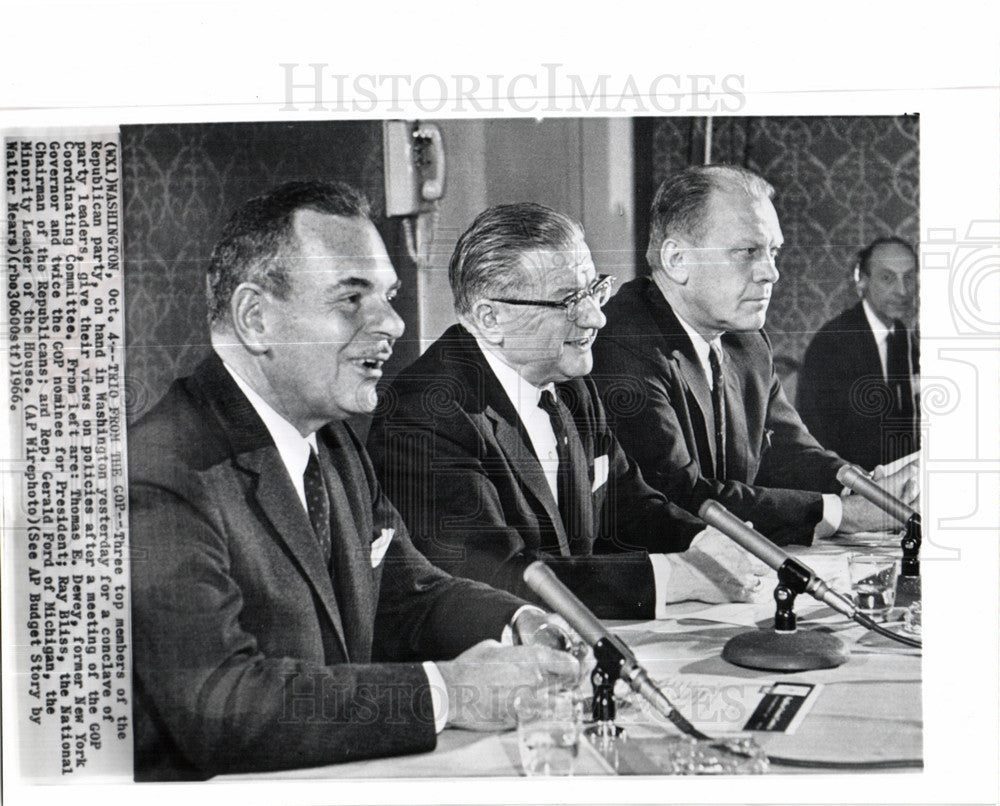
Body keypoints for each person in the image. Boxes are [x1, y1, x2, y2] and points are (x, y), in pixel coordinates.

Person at [128, 182, 580, 781]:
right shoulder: (160, 472)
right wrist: (447, 692)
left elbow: (407, 592)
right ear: (256, 319)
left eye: (389, 296)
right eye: (351, 299)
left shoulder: (333, 439)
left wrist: (519, 621)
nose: (392, 322)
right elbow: (221, 702)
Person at [367, 203, 767, 621]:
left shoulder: (571, 384)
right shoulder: (424, 415)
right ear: (491, 318)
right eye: (569, 300)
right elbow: (494, 575)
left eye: (595, 290)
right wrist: (672, 577)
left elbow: (629, 507)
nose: (595, 316)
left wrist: (707, 542)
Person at [591, 165, 915, 546]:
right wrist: (845, 514)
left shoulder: (746, 341)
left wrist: (865, 486)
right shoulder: (621, 341)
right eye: (747, 252)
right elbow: (679, 495)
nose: (771, 273)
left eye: (772, 251)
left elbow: (789, 453)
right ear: (677, 260)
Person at [797, 237, 920, 468]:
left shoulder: (906, 338)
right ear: (862, 281)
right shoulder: (832, 342)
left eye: (909, 277)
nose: (903, 290)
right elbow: (816, 434)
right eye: (887, 278)